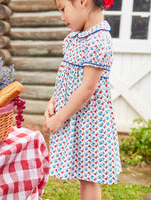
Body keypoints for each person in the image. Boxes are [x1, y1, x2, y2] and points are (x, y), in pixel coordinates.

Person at [44, 0, 122, 199]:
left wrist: (60, 118)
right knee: (83, 174)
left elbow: (87, 89)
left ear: (82, 1)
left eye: (63, 9)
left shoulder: (98, 40)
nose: (62, 17)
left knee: (89, 177)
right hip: (75, 117)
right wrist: (53, 101)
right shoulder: (76, 38)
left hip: (89, 123)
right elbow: (66, 78)